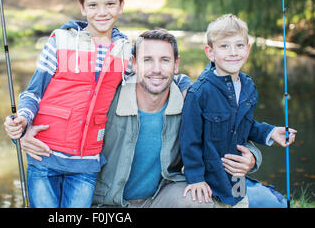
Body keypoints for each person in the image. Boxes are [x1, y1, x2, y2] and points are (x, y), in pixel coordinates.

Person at [18, 29, 263, 208]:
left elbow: (232, 127)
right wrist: (24, 132)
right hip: (108, 205)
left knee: (201, 202)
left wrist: (253, 156)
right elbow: (61, 121)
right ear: (134, 63)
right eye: (148, 60)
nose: (156, 69)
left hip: (159, 198)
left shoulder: (190, 100)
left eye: (165, 60)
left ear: (176, 65)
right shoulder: (108, 99)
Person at [3, 0, 132, 208]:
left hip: (86, 163)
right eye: (93, 5)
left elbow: (150, 82)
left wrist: (187, 87)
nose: (101, 12)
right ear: (82, 7)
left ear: (121, 5)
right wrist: (22, 120)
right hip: (43, 155)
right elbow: (33, 92)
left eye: (110, 4)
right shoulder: (61, 41)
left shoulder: (125, 51)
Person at [179, 14, 297, 208]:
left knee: (242, 203)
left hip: (237, 179)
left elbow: (245, 125)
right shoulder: (199, 92)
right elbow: (189, 140)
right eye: (224, 46)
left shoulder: (248, 86)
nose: (233, 52)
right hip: (209, 180)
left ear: (248, 49)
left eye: (239, 45)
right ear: (210, 52)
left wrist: (270, 132)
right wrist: (195, 178)